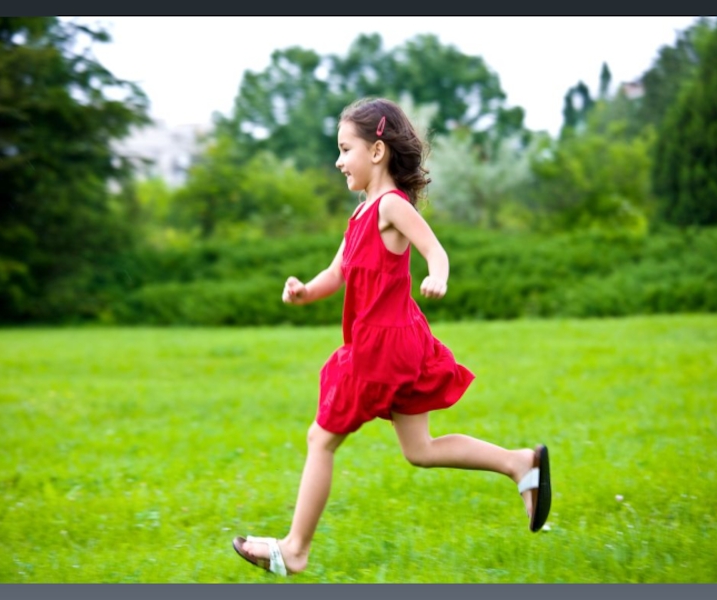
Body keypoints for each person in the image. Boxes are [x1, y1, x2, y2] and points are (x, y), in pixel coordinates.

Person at [232, 97, 551, 577]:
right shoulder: (361, 213)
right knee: (419, 450)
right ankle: (520, 464)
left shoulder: (391, 206)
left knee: (320, 438)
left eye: (345, 149)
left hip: (382, 348)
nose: (338, 161)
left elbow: (434, 250)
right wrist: (304, 292)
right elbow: (337, 272)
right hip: (391, 344)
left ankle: (295, 549)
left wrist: (437, 276)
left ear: (377, 151)